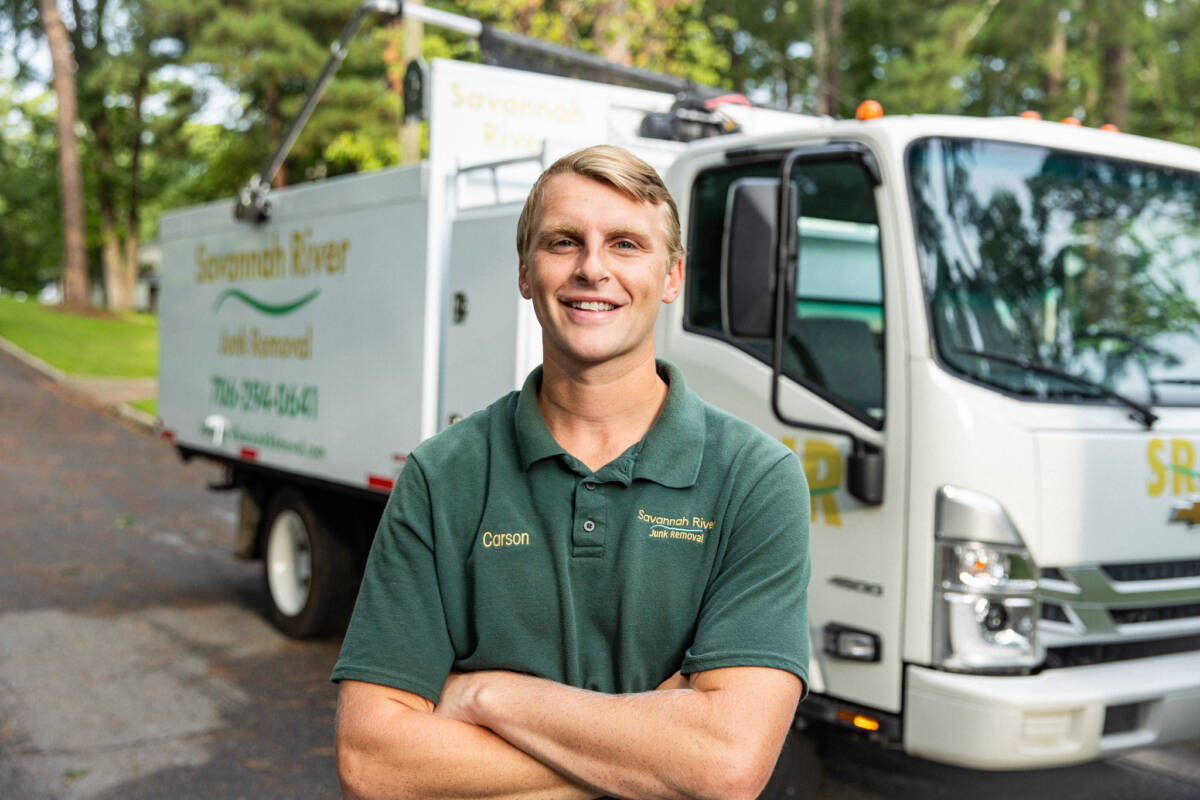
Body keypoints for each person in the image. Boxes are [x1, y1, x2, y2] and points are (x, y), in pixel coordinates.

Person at [332, 144, 811, 800]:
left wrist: (485, 696)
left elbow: (726, 766)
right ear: (526, 273)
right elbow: (371, 761)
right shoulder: (443, 475)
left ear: (671, 278)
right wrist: (655, 748)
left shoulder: (755, 479)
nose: (593, 268)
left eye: (624, 244)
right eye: (563, 242)